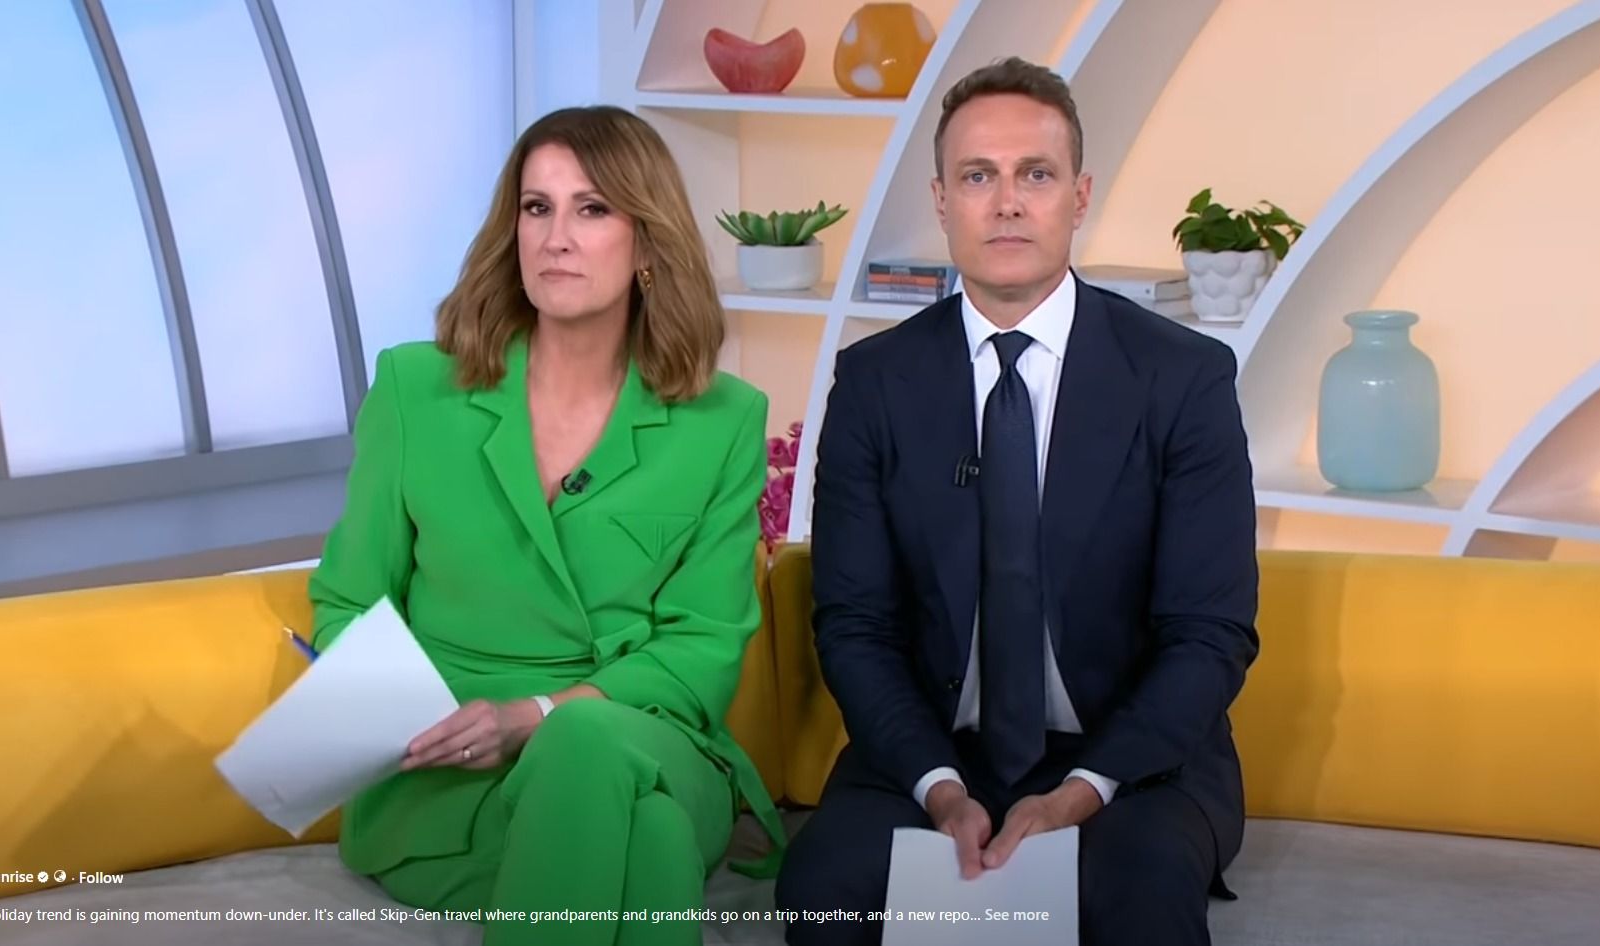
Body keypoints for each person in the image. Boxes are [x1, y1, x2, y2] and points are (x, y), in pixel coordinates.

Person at [774, 57, 1259, 946]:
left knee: (1137, 903)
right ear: (940, 200)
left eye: (1034, 174)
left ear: (1078, 196)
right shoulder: (874, 384)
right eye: (976, 177)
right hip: (927, 755)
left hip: (1131, 765)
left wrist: (1081, 791)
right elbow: (854, 626)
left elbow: (1209, 633)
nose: (1006, 203)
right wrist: (938, 786)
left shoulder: (1182, 378)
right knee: (823, 895)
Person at [307, 104, 784, 946]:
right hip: (450, 772)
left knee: (586, 739)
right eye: (537, 207)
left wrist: (536, 713)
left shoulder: (723, 421)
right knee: (652, 838)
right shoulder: (416, 391)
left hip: (645, 737)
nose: (556, 237)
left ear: (648, 244)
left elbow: (702, 648)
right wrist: (427, 717)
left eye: (591, 209)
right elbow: (350, 602)